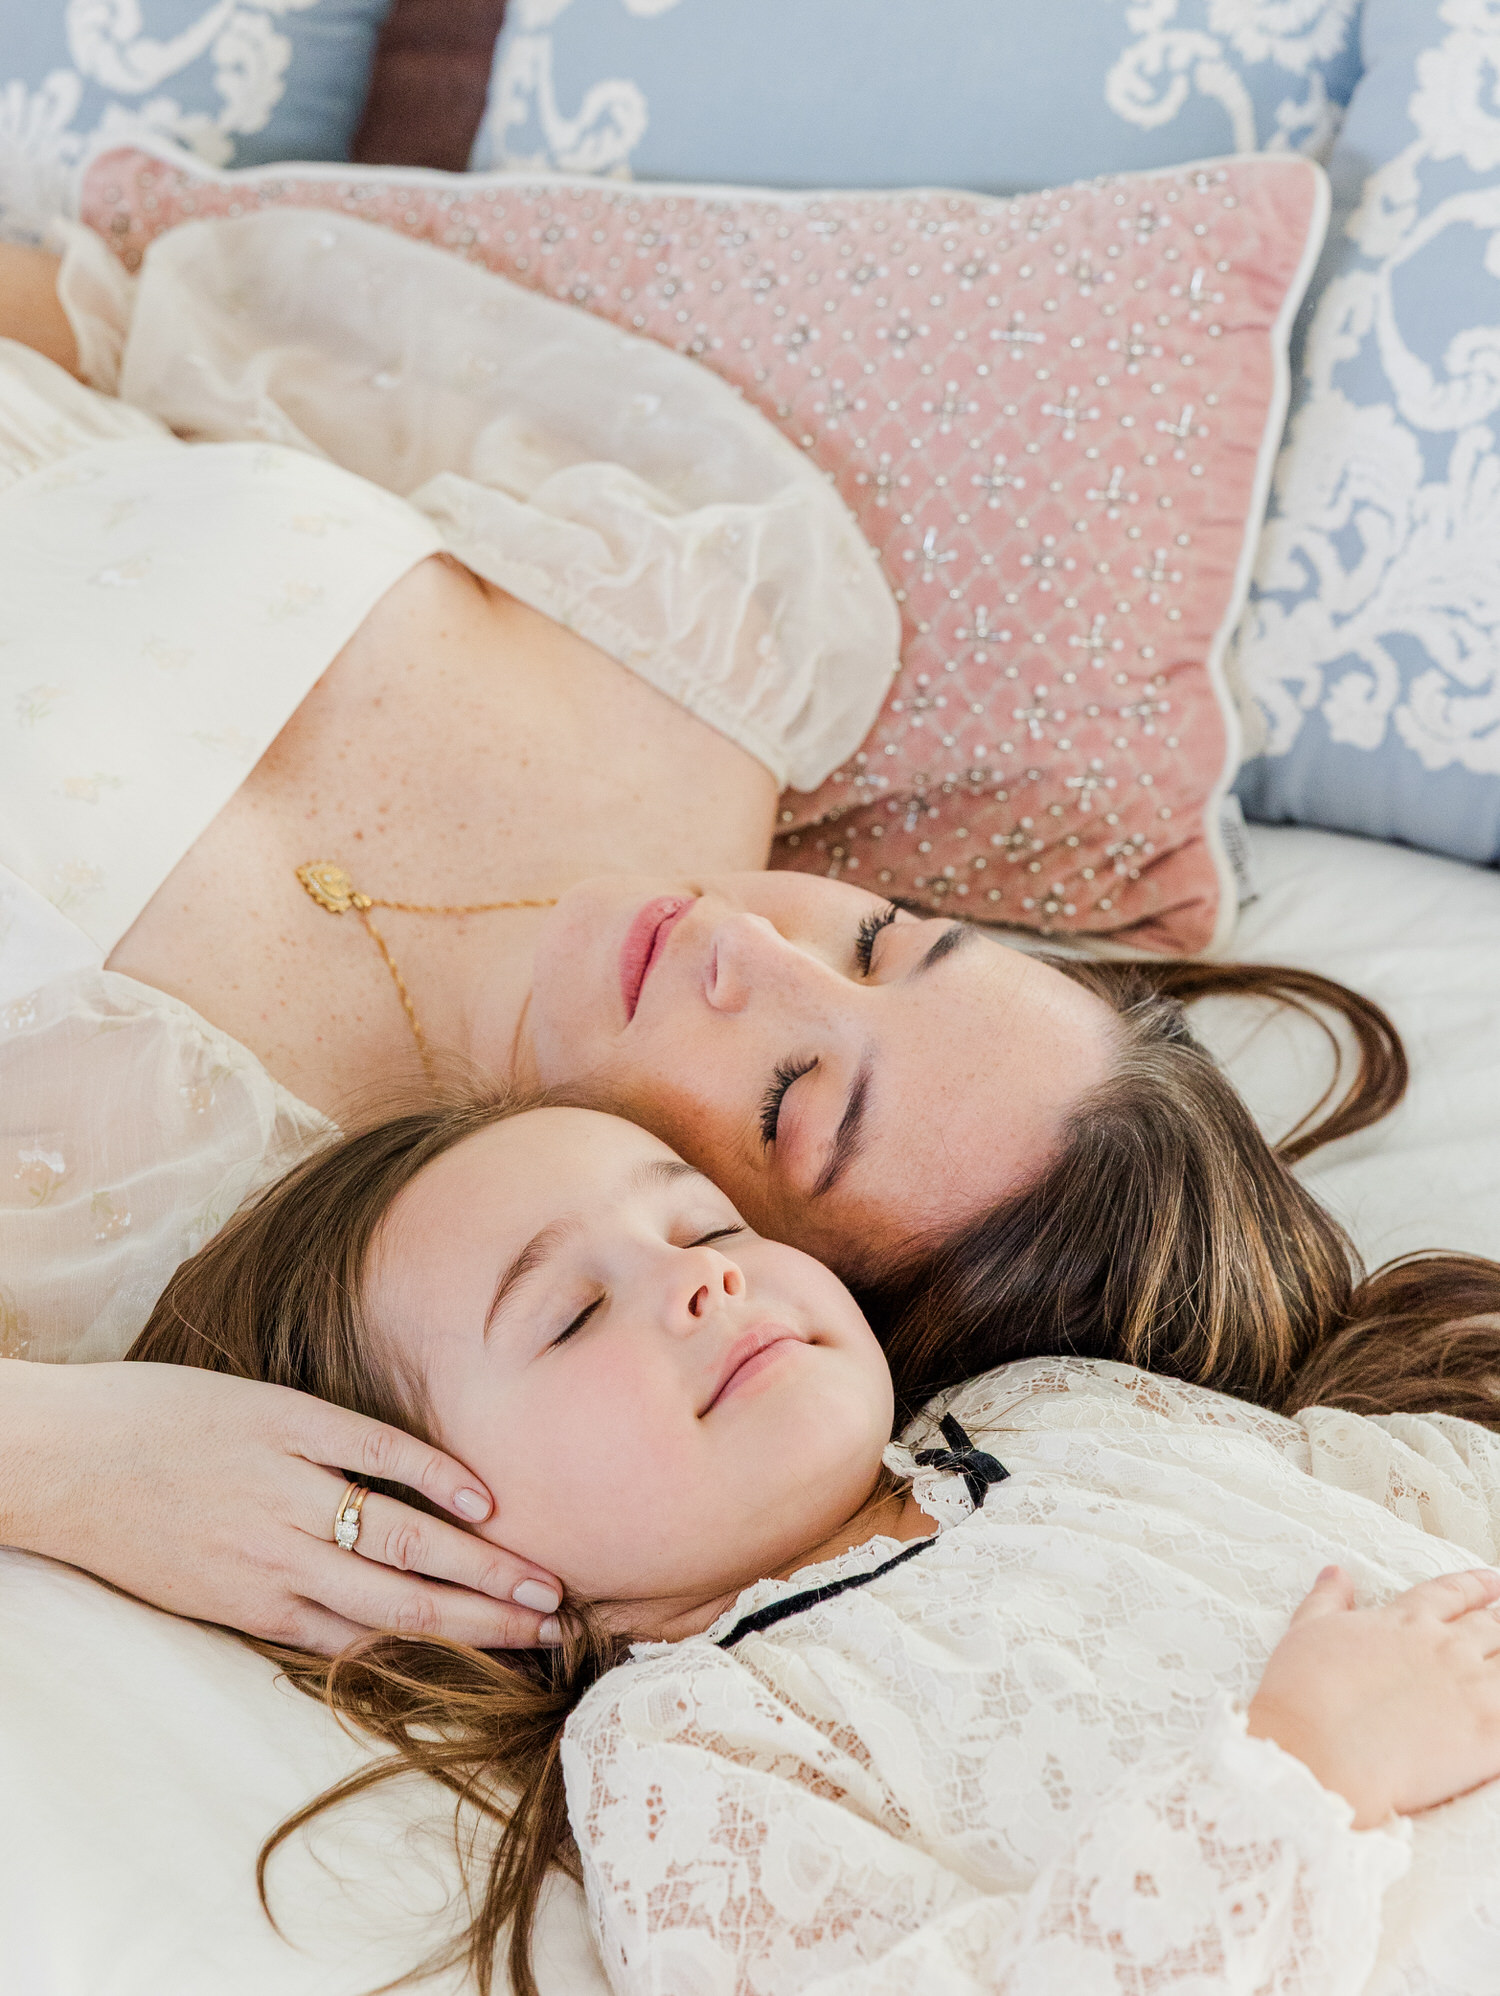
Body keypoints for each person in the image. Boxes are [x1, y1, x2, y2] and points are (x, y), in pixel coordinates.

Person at [0, 208, 1443, 1659]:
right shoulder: (702, 623)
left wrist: (52, 1460)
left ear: (746, 1267)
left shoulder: (205, 1256)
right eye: (883, 939)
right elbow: (122, 329)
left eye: (785, 1098)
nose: (751, 954)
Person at [131, 1095, 1500, 1996]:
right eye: (567, 1314)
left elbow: (1401, 1487)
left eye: (705, 1221)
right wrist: (1302, 1774)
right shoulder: (688, 1754)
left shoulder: (1049, 1401)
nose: (703, 1273)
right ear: (420, 1545)